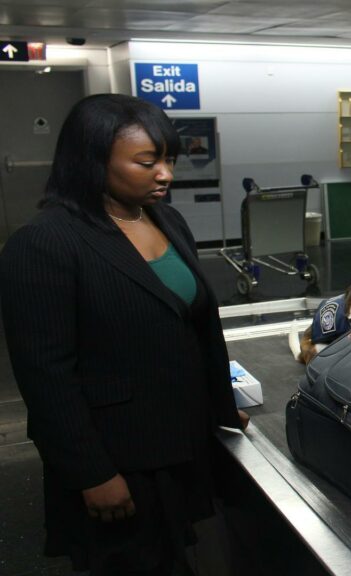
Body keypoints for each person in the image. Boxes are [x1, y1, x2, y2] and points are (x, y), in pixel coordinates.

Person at [0, 94, 248, 575]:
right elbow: (46, 376)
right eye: (147, 162)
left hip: (182, 440)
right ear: (93, 161)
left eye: (169, 160)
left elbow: (194, 329)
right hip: (121, 458)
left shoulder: (165, 220)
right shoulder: (45, 242)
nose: (165, 175)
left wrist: (218, 404)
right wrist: (91, 472)